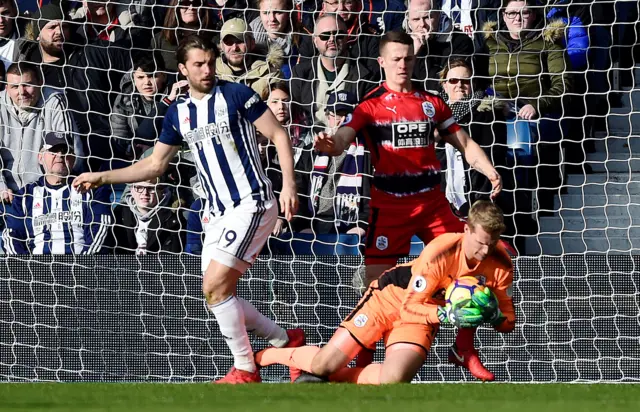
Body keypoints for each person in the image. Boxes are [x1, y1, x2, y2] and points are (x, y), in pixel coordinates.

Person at [72, 35, 304, 384]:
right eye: (198, 64)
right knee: (216, 293)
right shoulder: (178, 113)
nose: (207, 70)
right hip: (218, 211)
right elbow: (154, 166)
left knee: (215, 285)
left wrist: (288, 184)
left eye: (210, 63)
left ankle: (245, 369)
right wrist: (104, 177)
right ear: (182, 69)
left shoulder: (236, 95)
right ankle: (285, 340)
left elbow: (278, 134)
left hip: (252, 202)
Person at [314, 31, 502, 289]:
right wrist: (330, 144)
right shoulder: (369, 105)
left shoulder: (432, 103)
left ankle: (459, 320)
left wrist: (489, 170)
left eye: (408, 59)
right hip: (390, 205)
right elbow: (343, 139)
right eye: (396, 59)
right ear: (382, 62)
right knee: (377, 285)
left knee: (469, 267)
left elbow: (465, 144)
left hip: (431, 204)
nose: (402, 65)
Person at [255, 200, 515, 383]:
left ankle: (326, 378)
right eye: (480, 243)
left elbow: (508, 321)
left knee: (393, 379)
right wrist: (447, 315)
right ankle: (264, 356)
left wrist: (494, 317)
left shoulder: (501, 263)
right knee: (324, 362)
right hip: (389, 298)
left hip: (419, 319)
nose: (484, 251)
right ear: (466, 230)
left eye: (491, 245)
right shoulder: (440, 251)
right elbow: (409, 306)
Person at [2, 132, 113, 254]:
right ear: (40, 157)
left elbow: (100, 231)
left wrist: (83, 266)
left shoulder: (90, 190)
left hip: (80, 265)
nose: (60, 155)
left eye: (65, 151)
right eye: (53, 151)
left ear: (74, 158)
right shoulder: (25, 196)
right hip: (37, 268)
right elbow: (11, 236)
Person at [0, 62, 78, 205]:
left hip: (44, 192)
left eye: (27, 85)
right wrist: (1, 186)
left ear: (40, 83)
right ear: (6, 88)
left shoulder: (55, 102)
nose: (21, 92)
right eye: (15, 87)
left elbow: (65, 154)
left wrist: (45, 191)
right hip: (6, 195)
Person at [290, 13, 379, 127]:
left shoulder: (365, 76)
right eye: (325, 36)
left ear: (347, 37)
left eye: (339, 35)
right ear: (315, 40)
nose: (332, 39)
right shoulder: (300, 73)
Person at [112, 175, 186, 255]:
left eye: (150, 188)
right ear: (132, 190)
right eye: (139, 187)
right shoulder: (119, 214)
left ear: (161, 192)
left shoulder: (174, 219)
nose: (145, 193)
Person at [216, 18, 284, 100]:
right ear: (221, 45)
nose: (234, 48)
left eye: (240, 41)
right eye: (229, 42)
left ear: (252, 43)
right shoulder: (212, 73)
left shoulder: (270, 74)